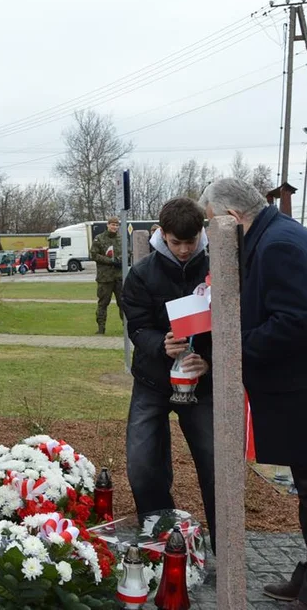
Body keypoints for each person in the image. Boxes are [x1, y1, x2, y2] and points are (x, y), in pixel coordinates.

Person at [200, 178, 307, 610]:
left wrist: (231, 351)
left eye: (211, 223)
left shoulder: (279, 245)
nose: (210, 234)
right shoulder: (274, 236)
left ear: (231, 217)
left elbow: (298, 321)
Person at [122, 198, 216, 553]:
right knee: (143, 463)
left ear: (201, 235)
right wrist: (160, 344)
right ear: (162, 235)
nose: (183, 249)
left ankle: (225, 545)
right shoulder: (142, 274)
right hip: (153, 382)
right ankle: (160, 537)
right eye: (176, 242)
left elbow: (233, 326)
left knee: (214, 462)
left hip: (203, 385)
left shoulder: (217, 269)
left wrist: (206, 360)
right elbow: (137, 326)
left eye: (190, 242)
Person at [91, 217, 123, 334]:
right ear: (108, 225)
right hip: (105, 278)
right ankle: (101, 328)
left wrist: (122, 259)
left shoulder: (121, 239)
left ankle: (126, 328)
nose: (114, 227)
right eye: (112, 225)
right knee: (103, 303)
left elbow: (128, 251)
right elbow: (94, 255)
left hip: (119, 276)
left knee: (123, 303)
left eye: (116, 225)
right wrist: (110, 261)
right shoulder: (99, 239)